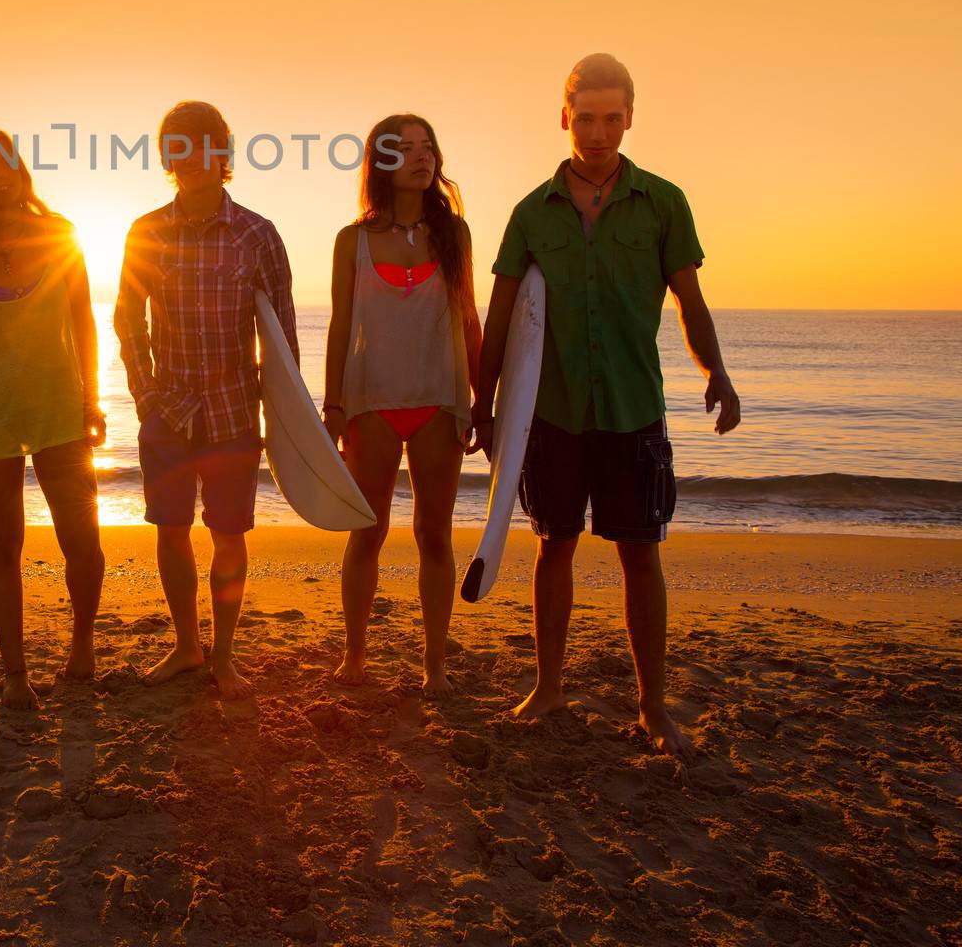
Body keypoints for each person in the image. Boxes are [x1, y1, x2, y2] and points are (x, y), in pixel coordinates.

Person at [472, 53, 741, 761]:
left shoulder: (662, 202)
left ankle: (653, 705)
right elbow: (501, 316)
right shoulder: (532, 212)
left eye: (611, 118)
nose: (597, 132)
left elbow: (689, 298)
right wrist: (484, 401)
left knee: (640, 556)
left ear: (629, 118)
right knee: (552, 545)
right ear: (564, 116)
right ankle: (549, 686)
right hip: (553, 412)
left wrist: (717, 371)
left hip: (631, 409)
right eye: (585, 117)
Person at [115, 99, 299, 701]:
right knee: (169, 531)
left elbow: (284, 337)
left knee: (228, 535)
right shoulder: (145, 232)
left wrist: (285, 419)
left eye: (202, 144)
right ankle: (187, 645)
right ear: (167, 155)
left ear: (223, 152)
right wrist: (145, 395)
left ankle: (223, 657)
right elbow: (126, 321)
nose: (190, 157)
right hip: (167, 410)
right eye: (178, 146)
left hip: (231, 412)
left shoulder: (258, 234)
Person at [0, 129, 105, 710]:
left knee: (80, 539)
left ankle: (82, 642)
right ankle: (14, 675)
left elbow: (84, 320)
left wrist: (92, 400)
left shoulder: (59, 232)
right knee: (2, 546)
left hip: (58, 405)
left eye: (5, 159)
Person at [322, 114, 480, 696]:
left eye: (428, 147)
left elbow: (468, 321)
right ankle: (355, 655)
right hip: (372, 401)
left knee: (434, 535)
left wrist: (482, 401)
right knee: (368, 531)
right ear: (382, 161)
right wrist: (333, 403)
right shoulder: (353, 241)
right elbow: (341, 326)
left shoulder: (454, 236)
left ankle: (434, 664)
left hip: (439, 399)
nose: (422, 157)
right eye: (406, 148)